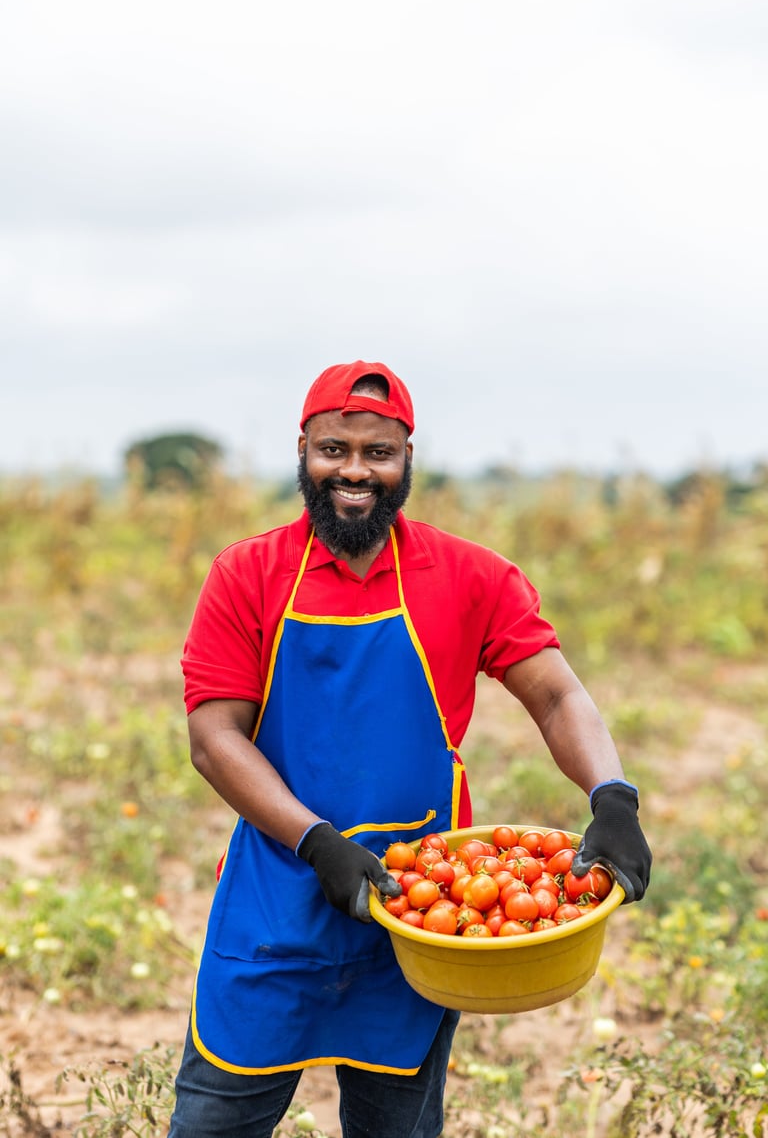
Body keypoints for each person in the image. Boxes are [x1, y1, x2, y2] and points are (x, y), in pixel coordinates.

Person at [168, 360, 651, 1138]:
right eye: (333, 449)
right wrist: (316, 840)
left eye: (377, 453)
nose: (354, 471)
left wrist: (614, 797)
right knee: (212, 1125)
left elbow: (557, 693)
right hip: (276, 900)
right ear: (302, 450)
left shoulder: (469, 575)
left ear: (406, 460)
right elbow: (213, 738)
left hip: (423, 915)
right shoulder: (247, 573)